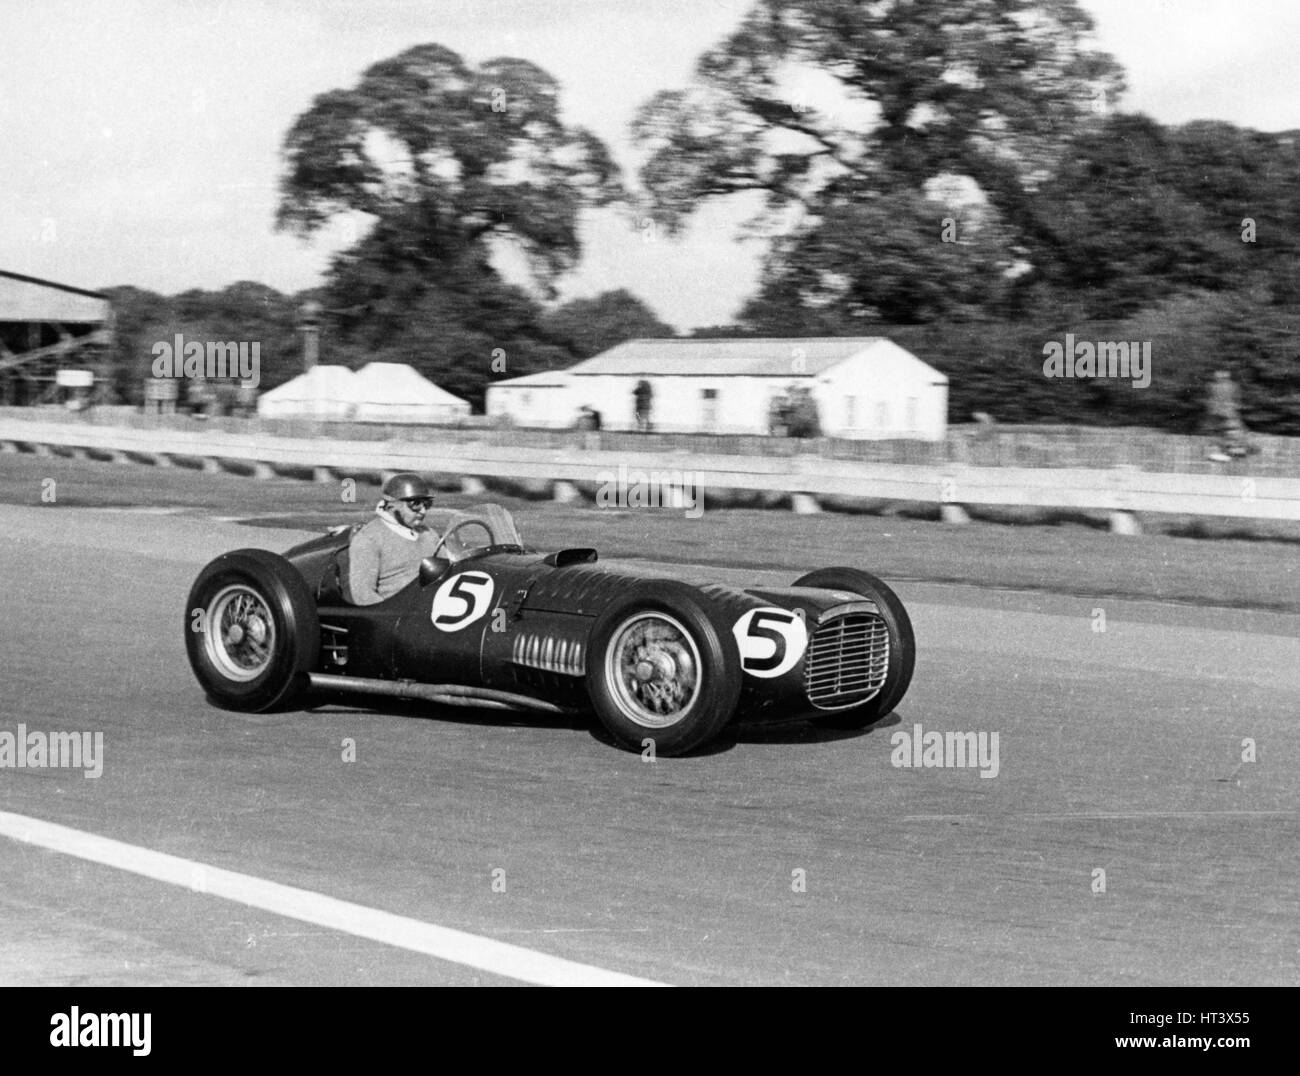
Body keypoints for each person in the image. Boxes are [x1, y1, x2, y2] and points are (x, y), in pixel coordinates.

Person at [344, 472, 443, 605]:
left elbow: (455, 567)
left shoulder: (429, 534)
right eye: (416, 504)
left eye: (427, 504)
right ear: (392, 506)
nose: (423, 511)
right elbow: (363, 595)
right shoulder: (369, 539)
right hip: (400, 615)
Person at [1204, 370, 1252, 462]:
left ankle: (1231, 450)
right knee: (1232, 430)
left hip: (1218, 412)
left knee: (1224, 431)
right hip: (1228, 411)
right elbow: (1237, 399)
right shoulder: (1233, 386)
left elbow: (1210, 399)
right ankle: (1235, 450)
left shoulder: (1213, 386)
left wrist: (1213, 408)